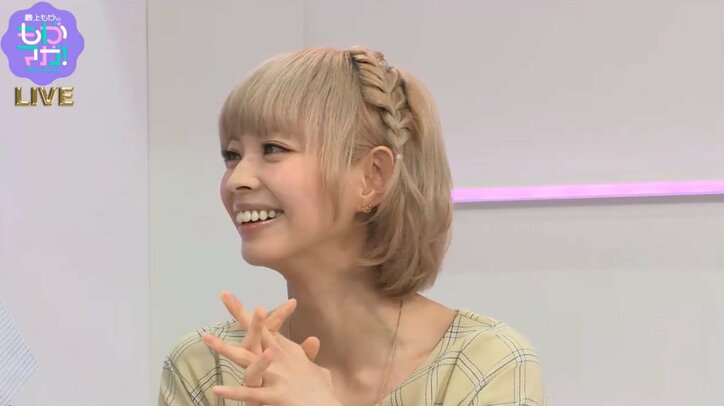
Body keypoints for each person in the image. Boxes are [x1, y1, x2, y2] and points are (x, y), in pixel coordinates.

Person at [158, 46, 545, 406]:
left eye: (273, 149)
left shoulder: (484, 363)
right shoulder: (207, 367)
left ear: (372, 177)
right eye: (231, 155)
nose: (238, 179)